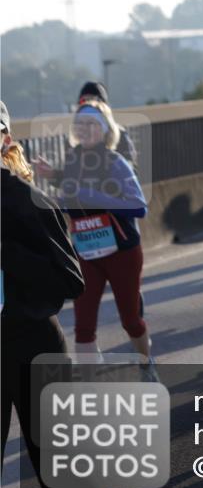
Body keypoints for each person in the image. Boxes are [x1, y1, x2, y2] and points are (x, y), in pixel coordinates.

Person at [1, 101, 133, 488]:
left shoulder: (26, 198)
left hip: (33, 342)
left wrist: (7, 253)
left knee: (55, 473)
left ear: (4, 139)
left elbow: (70, 280)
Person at [37, 101, 153, 377]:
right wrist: (54, 185)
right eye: (80, 124)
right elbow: (70, 195)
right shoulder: (73, 161)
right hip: (87, 252)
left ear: (104, 130)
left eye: (92, 124)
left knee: (130, 320)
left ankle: (147, 364)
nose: (85, 129)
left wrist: (90, 195)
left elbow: (139, 206)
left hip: (122, 251)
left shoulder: (116, 162)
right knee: (83, 324)